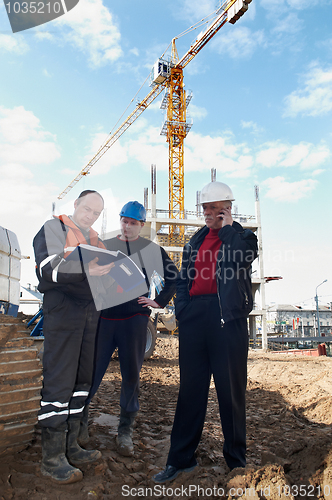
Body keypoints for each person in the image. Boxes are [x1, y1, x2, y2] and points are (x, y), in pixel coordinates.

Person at [153, 181, 258, 483]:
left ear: (228, 208)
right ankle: (180, 460)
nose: (209, 213)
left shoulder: (243, 236)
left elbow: (243, 258)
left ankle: (237, 463)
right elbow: (185, 279)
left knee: (230, 394)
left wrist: (226, 229)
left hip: (228, 320)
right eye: (206, 208)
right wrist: (184, 311)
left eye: (216, 208)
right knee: (190, 393)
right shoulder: (195, 240)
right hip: (195, 318)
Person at [84, 201, 178, 457]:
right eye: (124, 220)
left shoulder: (151, 250)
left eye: (133, 222)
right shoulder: (105, 246)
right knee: (91, 373)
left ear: (141, 225)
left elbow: (175, 278)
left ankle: (125, 431)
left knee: (131, 377)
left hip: (134, 321)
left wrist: (158, 302)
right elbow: (87, 273)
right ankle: (80, 424)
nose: (127, 226)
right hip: (105, 319)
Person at [33, 190, 114, 484]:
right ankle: (52, 458)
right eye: (87, 208)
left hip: (90, 312)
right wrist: (86, 268)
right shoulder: (54, 228)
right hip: (63, 309)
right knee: (60, 381)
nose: (90, 215)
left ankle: (72, 445)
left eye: (96, 213)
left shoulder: (97, 240)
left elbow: (103, 279)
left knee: (82, 381)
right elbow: (46, 270)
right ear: (76, 204)